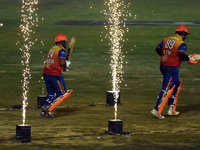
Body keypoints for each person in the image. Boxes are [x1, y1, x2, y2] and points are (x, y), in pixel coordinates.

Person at [151, 25, 198, 119]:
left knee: (176, 85)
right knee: (167, 89)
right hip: (171, 68)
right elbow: (181, 56)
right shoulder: (181, 43)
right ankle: (156, 110)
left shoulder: (166, 39)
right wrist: (190, 58)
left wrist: (165, 56)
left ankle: (171, 110)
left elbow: (157, 49)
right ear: (183, 33)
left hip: (164, 66)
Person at [40, 33, 71, 118]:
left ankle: (43, 112)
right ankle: (48, 108)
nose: (65, 44)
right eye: (64, 42)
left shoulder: (52, 49)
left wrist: (64, 66)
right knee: (62, 94)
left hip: (46, 74)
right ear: (61, 42)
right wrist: (66, 64)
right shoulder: (61, 50)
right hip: (54, 75)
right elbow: (61, 62)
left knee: (51, 93)